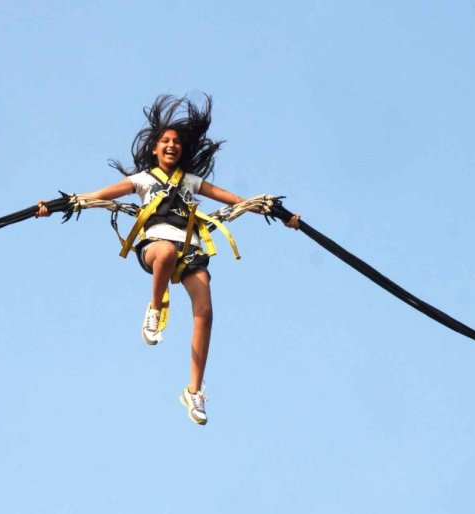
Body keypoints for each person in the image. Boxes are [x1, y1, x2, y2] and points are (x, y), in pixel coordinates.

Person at [37, 95, 300, 425]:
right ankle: (156, 307)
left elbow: (235, 200)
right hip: (155, 247)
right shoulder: (142, 180)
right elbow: (98, 196)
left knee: (204, 309)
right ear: (154, 149)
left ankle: (193, 390)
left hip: (190, 250)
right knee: (165, 251)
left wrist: (275, 210)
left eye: (176, 142)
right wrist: (54, 205)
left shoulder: (190, 182)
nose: (172, 145)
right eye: (165, 141)